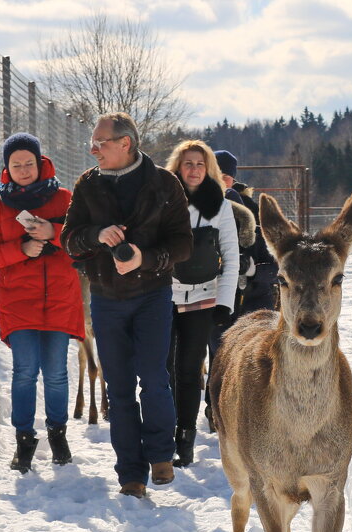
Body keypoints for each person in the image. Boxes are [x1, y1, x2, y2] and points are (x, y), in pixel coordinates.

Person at [61, 112, 192, 499]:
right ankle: (130, 474)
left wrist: (143, 259)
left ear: (125, 144)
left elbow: (183, 244)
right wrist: (97, 234)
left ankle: (160, 456)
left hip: (152, 295)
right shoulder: (87, 184)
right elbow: (69, 239)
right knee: (117, 387)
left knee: (153, 378)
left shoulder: (165, 184)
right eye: (93, 142)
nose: (93, 149)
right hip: (106, 299)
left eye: (100, 142)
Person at [0, 132, 85, 473]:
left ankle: (58, 434)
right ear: (6, 169)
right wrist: (19, 250)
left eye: (29, 163)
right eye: (16, 164)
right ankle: (24, 439)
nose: (24, 169)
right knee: (24, 373)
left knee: (55, 374)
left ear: (40, 164)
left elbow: (83, 245)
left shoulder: (65, 199)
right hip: (18, 303)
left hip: (60, 301)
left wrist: (53, 233)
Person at [164, 141, 252, 467]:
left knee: (188, 371)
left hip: (203, 298)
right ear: (178, 166)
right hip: (164, 296)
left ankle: (184, 440)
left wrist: (224, 304)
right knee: (163, 369)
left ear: (209, 168)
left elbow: (231, 258)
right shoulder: (164, 202)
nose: (194, 169)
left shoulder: (222, 206)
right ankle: (163, 433)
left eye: (200, 164)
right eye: (188, 163)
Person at [213, 149, 279, 316]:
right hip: (216, 298)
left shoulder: (253, 212)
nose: (220, 181)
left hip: (255, 299)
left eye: (225, 177)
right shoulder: (198, 211)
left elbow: (278, 267)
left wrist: (253, 270)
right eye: (215, 176)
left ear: (233, 180)